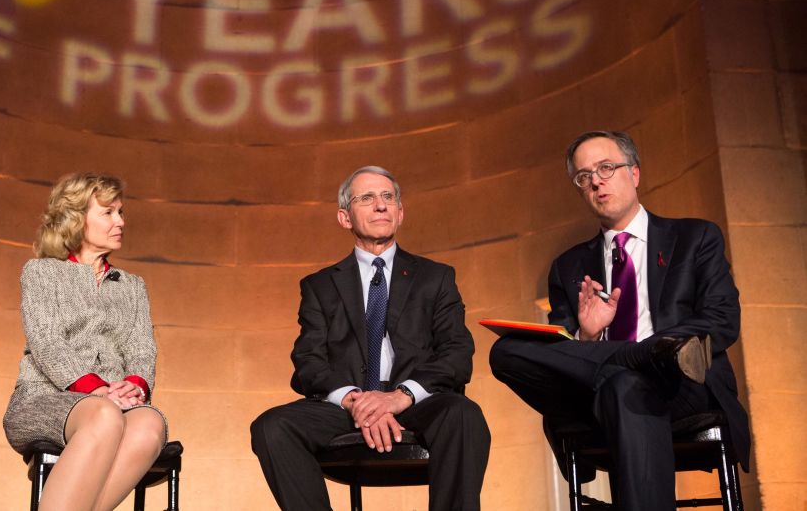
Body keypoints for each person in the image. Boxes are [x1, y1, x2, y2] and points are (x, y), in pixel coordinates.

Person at [489, 130, 751, 511]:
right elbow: (560, 355)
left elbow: (722, 319)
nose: (596, 180)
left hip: (682, 384)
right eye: (584, 176)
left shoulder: (694, 237)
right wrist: (586, 336)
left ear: (635, 174)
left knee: (623, 384)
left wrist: (655, 352)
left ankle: (637, 358)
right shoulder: (568, 267)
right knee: (506, 351)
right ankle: (631, 358)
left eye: (607, 168)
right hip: (602, 389)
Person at [251, 166, 490, 511]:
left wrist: (399, 396)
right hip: (348, 406)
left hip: (417, 402)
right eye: (367, 198)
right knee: (272, 427)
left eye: (388, 197)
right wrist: (355, 400)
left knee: (465, 415)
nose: (380, 206)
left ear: (400, 212)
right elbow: (308, 363)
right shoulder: (319, 286)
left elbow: (456, 353)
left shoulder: (436, 278)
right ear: (344, 218)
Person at [3, 172, 166, 511]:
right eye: (108, 212)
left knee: (150, 423)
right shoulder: (41, 272)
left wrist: (132, 389)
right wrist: (97, 389)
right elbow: (47, 342)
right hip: (44, 398)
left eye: (120, 212)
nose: (120, 221)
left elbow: (141, 350)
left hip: (114, 403)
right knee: (105, 415)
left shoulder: (132, 286)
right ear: (76, 219)